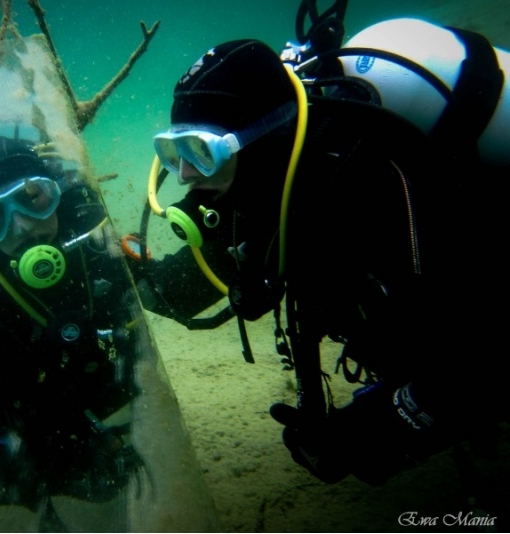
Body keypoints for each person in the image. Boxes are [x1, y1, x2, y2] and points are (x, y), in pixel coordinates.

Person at [130, 27, 506, 494]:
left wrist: (365, 436)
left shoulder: (379, 193)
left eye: (200, 151)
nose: (184, 175)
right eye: (173, 150)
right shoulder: (267, 183)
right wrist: (124, 274)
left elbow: (484, 362)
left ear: (258, 139)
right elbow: (208, 274)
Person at [0, 134, 145, 524]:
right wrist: (71, 465)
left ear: (57, 192)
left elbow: (176, 295)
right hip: (55, 475)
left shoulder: (102, 258)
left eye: (32, 197)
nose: (24, 227)